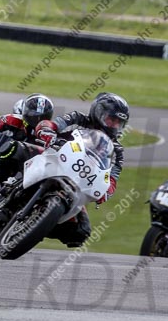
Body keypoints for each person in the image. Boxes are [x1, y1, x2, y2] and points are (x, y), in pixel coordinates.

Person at [32, 92, 129, 247]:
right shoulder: (77, 119)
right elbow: (54, 124)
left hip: (75, 184)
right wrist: (47, 131)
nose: (114, 125)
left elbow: (113, 179)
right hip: (50, 159)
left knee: (81, 232)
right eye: (111, 119)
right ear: (99, 113)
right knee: (15, 150)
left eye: (119, 123)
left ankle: (32, 229)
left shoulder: (116, 150)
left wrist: (105, 192)